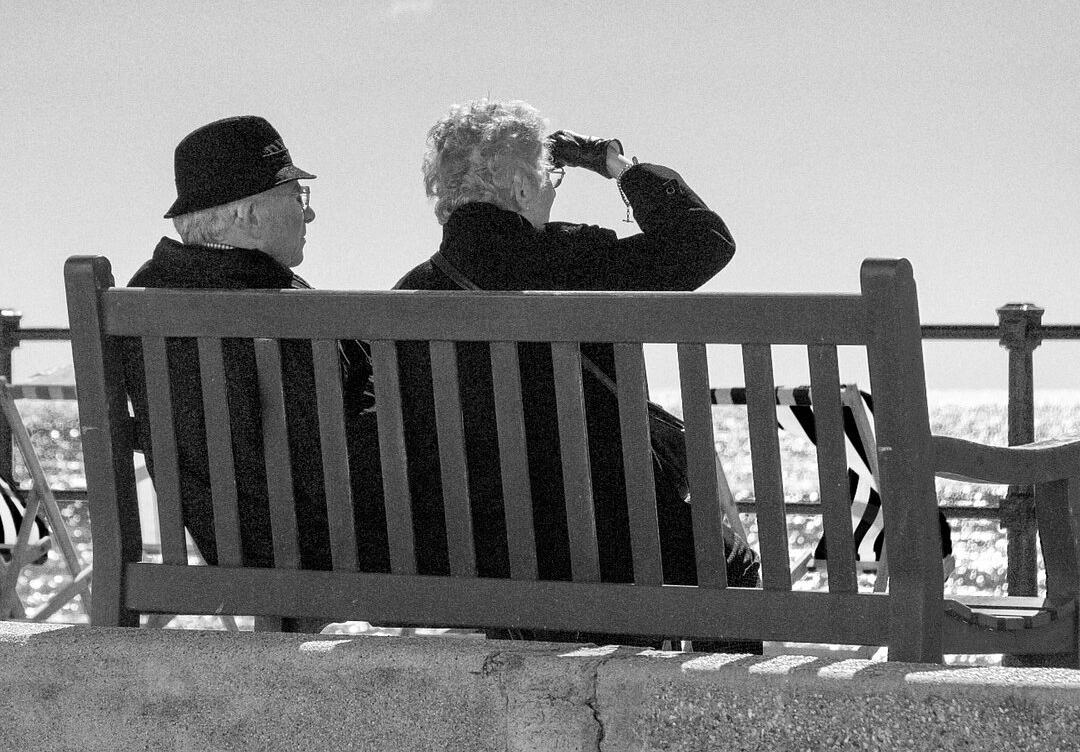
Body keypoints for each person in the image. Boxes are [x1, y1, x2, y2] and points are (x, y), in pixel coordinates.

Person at [394, 98, 760, 649]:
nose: (555, 186)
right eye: (551, 173)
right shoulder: (575, 260)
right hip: (613, 549)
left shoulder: (409, 296)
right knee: (729, 562)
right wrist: (616, 166)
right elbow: (704, 243)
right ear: (520, 187)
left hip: (486, 558)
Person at [120, 116, 388, 592]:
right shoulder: (292, 311)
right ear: (247, 214)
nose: (308, 214)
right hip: (335, 551)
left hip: (225, 545)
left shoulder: (142, 298)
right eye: (296, 197)